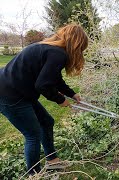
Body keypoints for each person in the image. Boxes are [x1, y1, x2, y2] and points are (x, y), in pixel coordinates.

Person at [0, 24, 88, 175]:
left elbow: (54, 78)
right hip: (9, 94)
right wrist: (60, 99)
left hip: (19, 91)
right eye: (81, 49)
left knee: (46, 122)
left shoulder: (49, 49)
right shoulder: (58, 54)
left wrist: (71, 94)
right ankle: (34, 175)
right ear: (76, 44)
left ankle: (52, 161)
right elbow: (43, 85)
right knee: (32, 134)